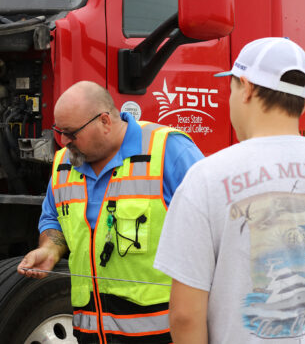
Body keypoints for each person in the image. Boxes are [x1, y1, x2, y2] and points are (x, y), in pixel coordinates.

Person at [154, 37, 305, 344]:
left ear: (247, 88)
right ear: (304, 104)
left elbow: (185, 315)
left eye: (230, 89)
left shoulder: (205, 177)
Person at [18, 80, 203, 344]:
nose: (63, 142)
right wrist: (50, 249)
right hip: (89, 334)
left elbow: (214, 228)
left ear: (105, 121)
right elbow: (54, 219)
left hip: (162, 334)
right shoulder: (63, 165)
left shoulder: (168, 151)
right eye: (59, 132)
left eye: (71, 133)